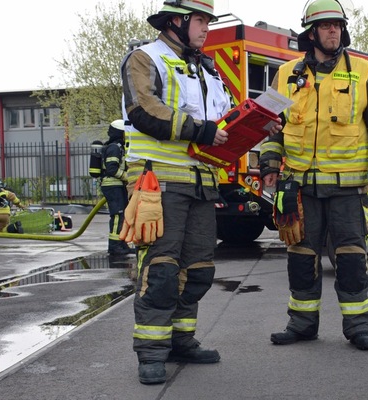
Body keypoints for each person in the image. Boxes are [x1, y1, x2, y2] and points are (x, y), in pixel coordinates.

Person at [121, 0, 279, 385]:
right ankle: (152, 352)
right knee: (161, 269)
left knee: (199, 270)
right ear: (176, 20)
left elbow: (225, 122)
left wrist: (258, 125)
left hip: (203, 183)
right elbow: (144, 109)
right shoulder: (145, 58)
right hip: (159, 181)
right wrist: (200, 130)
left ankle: (181, 341)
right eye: (200, 20)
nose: (206, 28)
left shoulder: (208, 69)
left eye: (208, 20)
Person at [258, 0, 368, 351]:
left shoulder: (363, 71)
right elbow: (270, 125)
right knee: (301, 256)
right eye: (326, 25)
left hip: (348, 187)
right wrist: (269, 165)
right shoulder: (286, 74)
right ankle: (301, 323)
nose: (333, 30)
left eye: (337, 25)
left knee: (351, 257)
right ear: (312, 32)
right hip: (300, 186)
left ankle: (358, 326)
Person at [100, 119, 135, 256]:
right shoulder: (114, 148)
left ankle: (121, 243)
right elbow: (111, 169)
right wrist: (128, 177)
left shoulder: (118, 147)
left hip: (118, 186)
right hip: (112, 186)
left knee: (122, 215)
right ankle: (114, 246)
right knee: (117, 215)